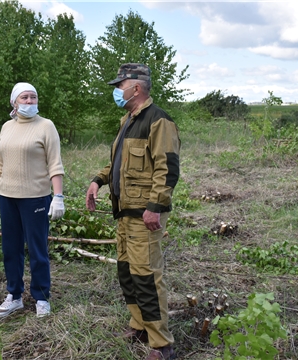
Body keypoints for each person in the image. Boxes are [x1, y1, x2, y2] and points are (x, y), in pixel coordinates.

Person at [85, 64, 180, 360]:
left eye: (120, 85)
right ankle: (139, 325)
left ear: (136, 88)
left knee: (146, 276)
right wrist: (97, 181)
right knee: (127, 271)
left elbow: (168, 169)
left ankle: (161, 344)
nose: (116, 90)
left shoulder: (158, 121)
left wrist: (155, 207)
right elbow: (118, 163)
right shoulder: (128, 119)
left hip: (144, 215)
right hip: (124, 212)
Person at [0, 82, 65, 319]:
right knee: (11, 248)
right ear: (14, 102)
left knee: (37, 249)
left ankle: (41, 297)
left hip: (35, 198)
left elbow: (55, 164)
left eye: (33, 97)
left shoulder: (46, 126)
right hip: (7, 198)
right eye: (24, 98)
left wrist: (57, 197)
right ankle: (14, 297)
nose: (30, 102)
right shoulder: (7, 127)